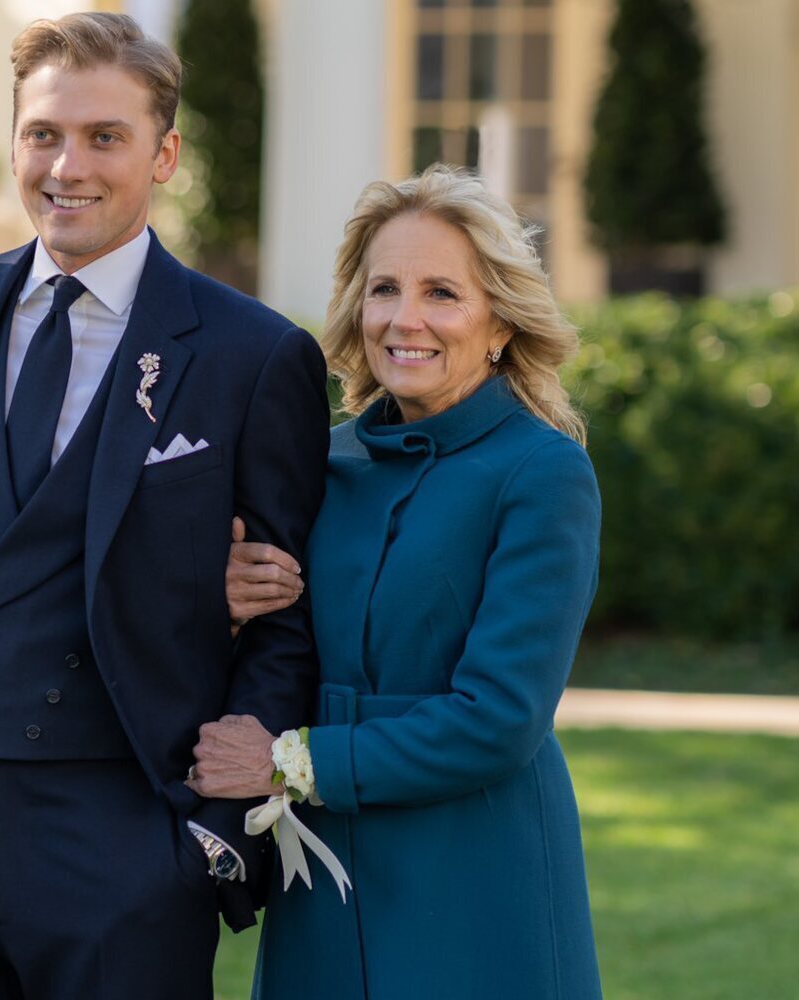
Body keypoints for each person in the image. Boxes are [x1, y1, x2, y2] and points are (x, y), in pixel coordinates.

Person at [0, 12, 330, 999]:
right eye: (43, 134)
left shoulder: (252, 355)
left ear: (161, 154)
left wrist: (207, 839)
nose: (65, 165)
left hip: (124, 830)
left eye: (103, 138)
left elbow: (286, 622)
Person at [192, 166, 605, 999]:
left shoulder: (542, 473)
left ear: (499, 323)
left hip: (474, 877)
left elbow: (499, 718)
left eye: (442, 293)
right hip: (324, 882)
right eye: (385, 288)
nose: (404, 319)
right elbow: (288, 642)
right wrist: (229, 602)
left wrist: (289, 762)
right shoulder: (325, 460)